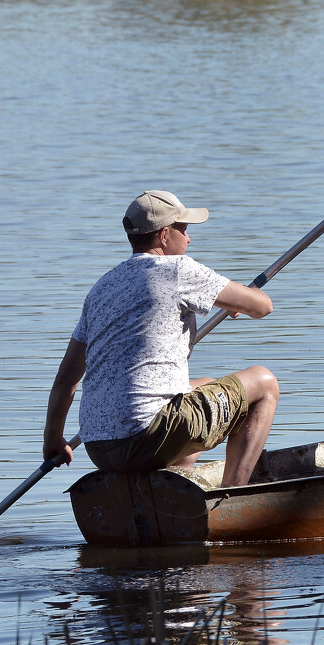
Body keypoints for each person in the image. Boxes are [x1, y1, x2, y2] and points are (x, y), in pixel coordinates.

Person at [43, 190, 280, 487]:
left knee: (204, 385)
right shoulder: (178, 270)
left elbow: (67, 378)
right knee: (264, 382)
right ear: (165, 235)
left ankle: (170, 487)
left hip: (99, 446)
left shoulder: (101, 288)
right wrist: (240, 299)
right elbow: (263, 307)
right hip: (148, 436)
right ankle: (230, 498)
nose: (189, 238)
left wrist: (53, 439)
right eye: (184, 229)